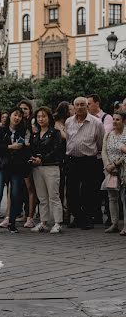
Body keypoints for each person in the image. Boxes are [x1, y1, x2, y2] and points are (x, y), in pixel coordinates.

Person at [65, 96, 104, 230]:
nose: (80, 107)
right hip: (72, 160)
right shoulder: (68, 122)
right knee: (71, 192)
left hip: (89, 161)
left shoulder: (96, 123)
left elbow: (100, 143)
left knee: (89, 192)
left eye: (83, 104)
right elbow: (69, 140)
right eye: (77, 105)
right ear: (74, 107)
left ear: (87, 106)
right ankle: (78, 217)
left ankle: (88, 219)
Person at [0, 107, 29, 234]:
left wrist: (24, 147)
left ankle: (12, 223)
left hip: (16, 167)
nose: (17, 118)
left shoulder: (23, 131)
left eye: (19, 116)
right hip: (0, 166)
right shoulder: (1, 130)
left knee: (15, 195)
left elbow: (27, 148)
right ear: (10, 116)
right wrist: (10, 147)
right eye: (15, 115)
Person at [29, 107, 64, 234]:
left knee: (54, 196)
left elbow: (57, 150)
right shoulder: (35, 134)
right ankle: (43, 222)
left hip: (51, 166)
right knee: (42, 197)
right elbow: (31, 150)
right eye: (38, 116)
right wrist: (33, 159)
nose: (41, 119)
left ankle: (58, 222)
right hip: (37, 168)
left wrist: (42, 158)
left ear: (49, 118)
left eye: (43, 116)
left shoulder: (55, 133)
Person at [87, 93, 114, 224]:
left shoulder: (106, 118)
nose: (87, 106)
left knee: (107, 187)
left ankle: (110, 216)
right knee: (94, 188)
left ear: (97, 103)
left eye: (89, 104)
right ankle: (96, 215)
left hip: (104, 159)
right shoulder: (86, 118)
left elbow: (104, 135)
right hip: (93, 159)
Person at [101, 110, 126, 234]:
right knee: (112, 198)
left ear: (124, 121)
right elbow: (103, 151)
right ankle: (114, 223)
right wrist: (108, 166)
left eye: (118, 119)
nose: (115, 122)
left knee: (124, 198)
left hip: (123, 170)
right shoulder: (108, 135)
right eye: (114, 119)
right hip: (110, 170)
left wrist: (116, 164)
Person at [18, 99, 36, 229]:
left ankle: (31, 216)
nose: (23, 111)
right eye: (21, 109)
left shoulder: (33, 123)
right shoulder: (18, 124)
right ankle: (25, 213)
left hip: (29, 157)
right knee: (22, 189)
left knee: (30, 188)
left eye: (25, 108)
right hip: (19, 158)